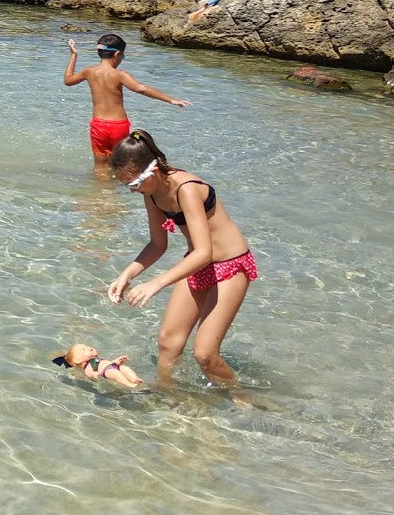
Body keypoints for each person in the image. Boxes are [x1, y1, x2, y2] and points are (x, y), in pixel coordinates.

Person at [106, 130, 256, 388]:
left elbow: (204, 251)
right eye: (126, 186)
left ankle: (241, 398)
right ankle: (168, 397)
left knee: (205, 353)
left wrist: (156, 283)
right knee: (168, 342)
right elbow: (157, 244)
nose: (132, 191)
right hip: (198, 264)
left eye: (133, 184)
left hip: (231, 266)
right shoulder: (151, 193)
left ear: (151, 171)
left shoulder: (187, 189)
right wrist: (127, 274)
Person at [64, 34, 190, 169]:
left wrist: (73, 55)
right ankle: (117, 189)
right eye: (123, 56)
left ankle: (101, 190)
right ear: (117, 54)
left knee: (100, 166)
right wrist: (171, 100)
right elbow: (141, 89)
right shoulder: (120, 74)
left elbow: (68, 80)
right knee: (120, 164)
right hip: (118, 125)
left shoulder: (88, 72)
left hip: (98, 125)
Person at [52, 342, 144, 386]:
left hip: (111, 367)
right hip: (106, 372)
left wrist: (117, 361)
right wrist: (96, 375)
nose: (89, 347)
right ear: (78, 360)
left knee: (125, 368)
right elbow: (94, 373)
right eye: (83, 349)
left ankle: (134, 379)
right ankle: (129, 384)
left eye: (87, 346)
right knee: (116, 374)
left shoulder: (95, 361)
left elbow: (108, 364)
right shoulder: (89, 366)